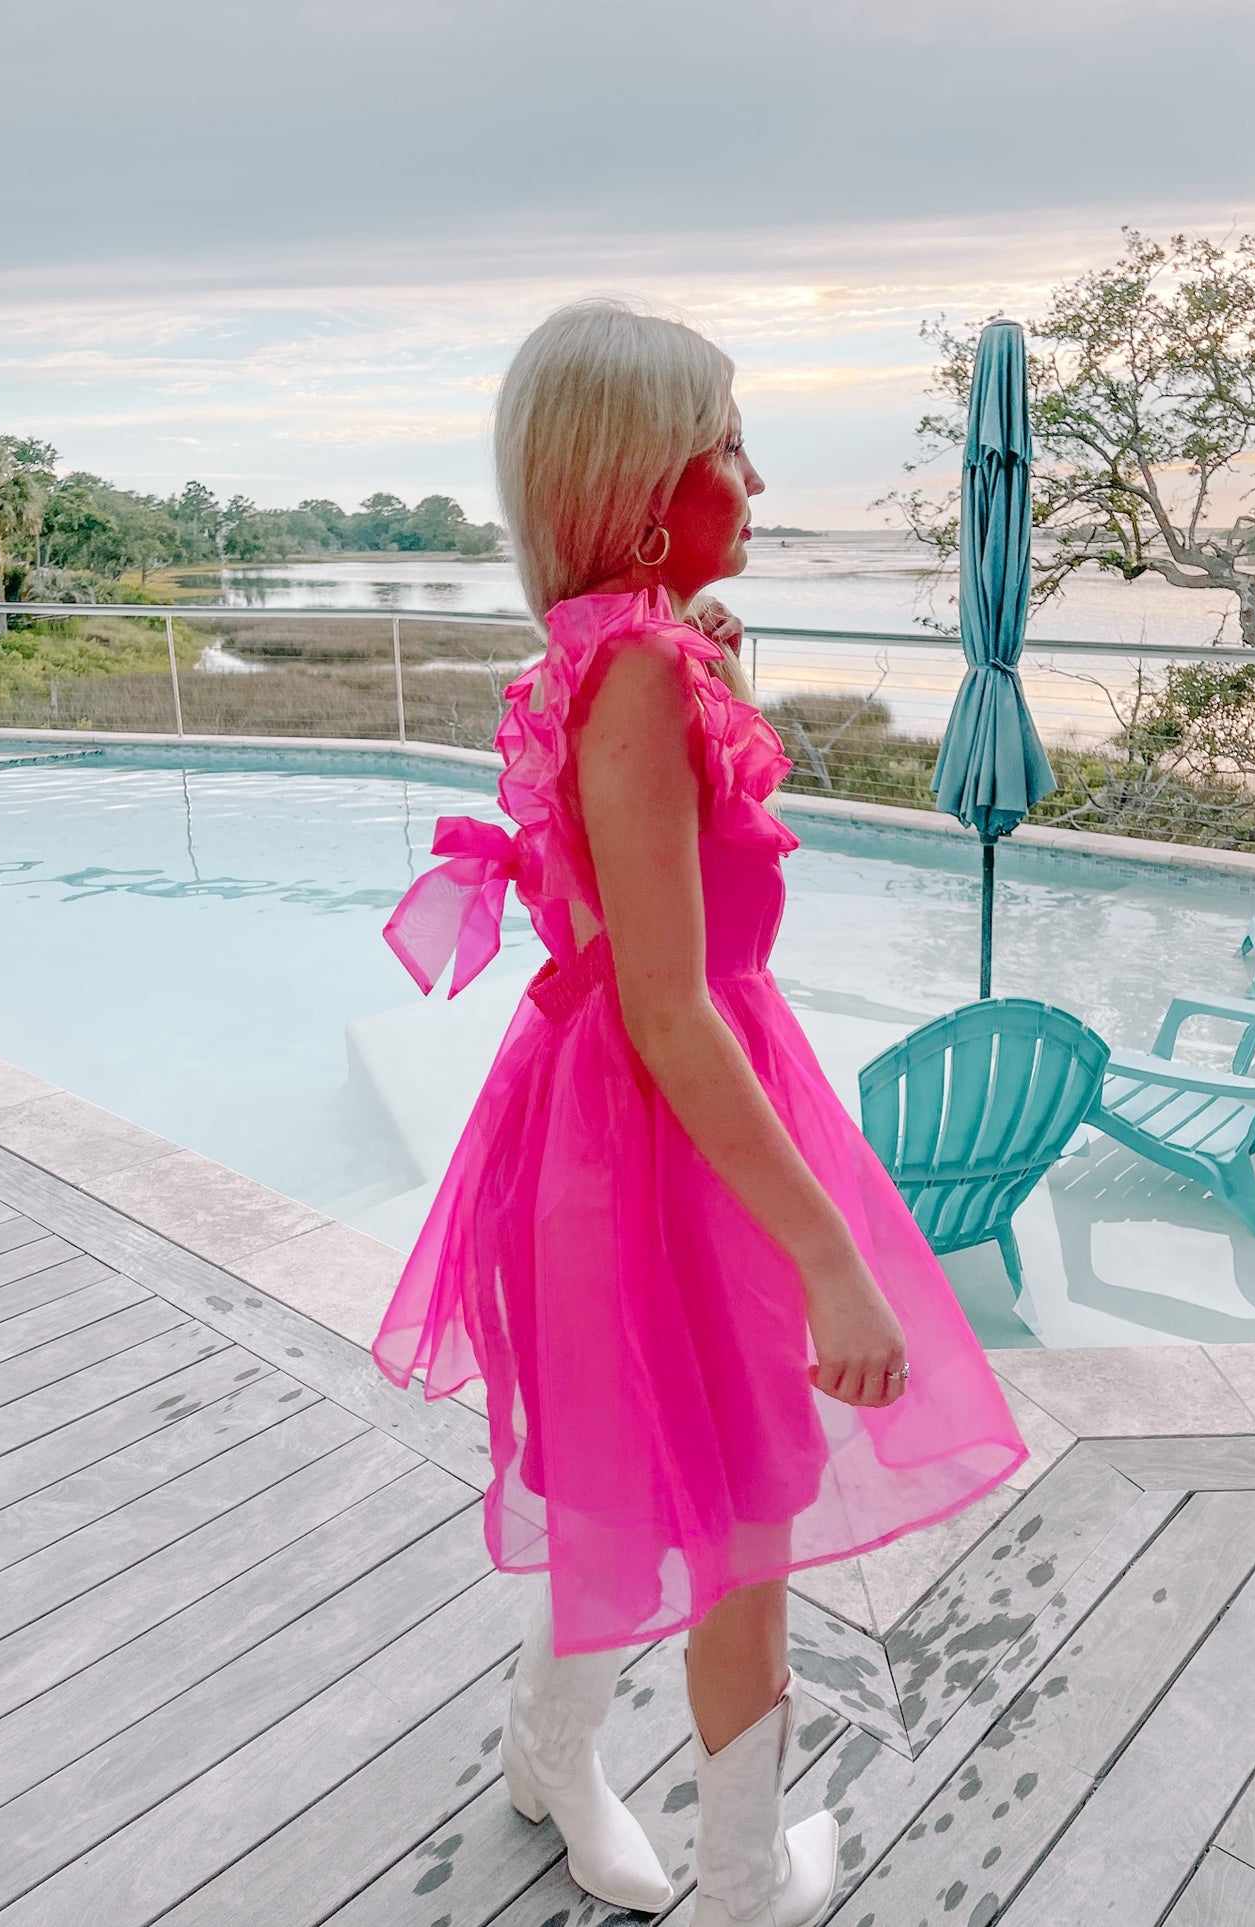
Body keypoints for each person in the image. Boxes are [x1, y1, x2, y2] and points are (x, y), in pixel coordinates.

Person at [372, 298, 1028, 1925]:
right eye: (724, 438)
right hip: (668, 1119)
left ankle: (547, 1751)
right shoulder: (641, 677)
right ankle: (743, 1885)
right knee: (742, 1509)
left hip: (615, 1120)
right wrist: (831, 1258)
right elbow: (668, 1003)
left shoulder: (612, 652)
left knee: (645, 1469)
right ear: (646, 483)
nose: (752, 468)